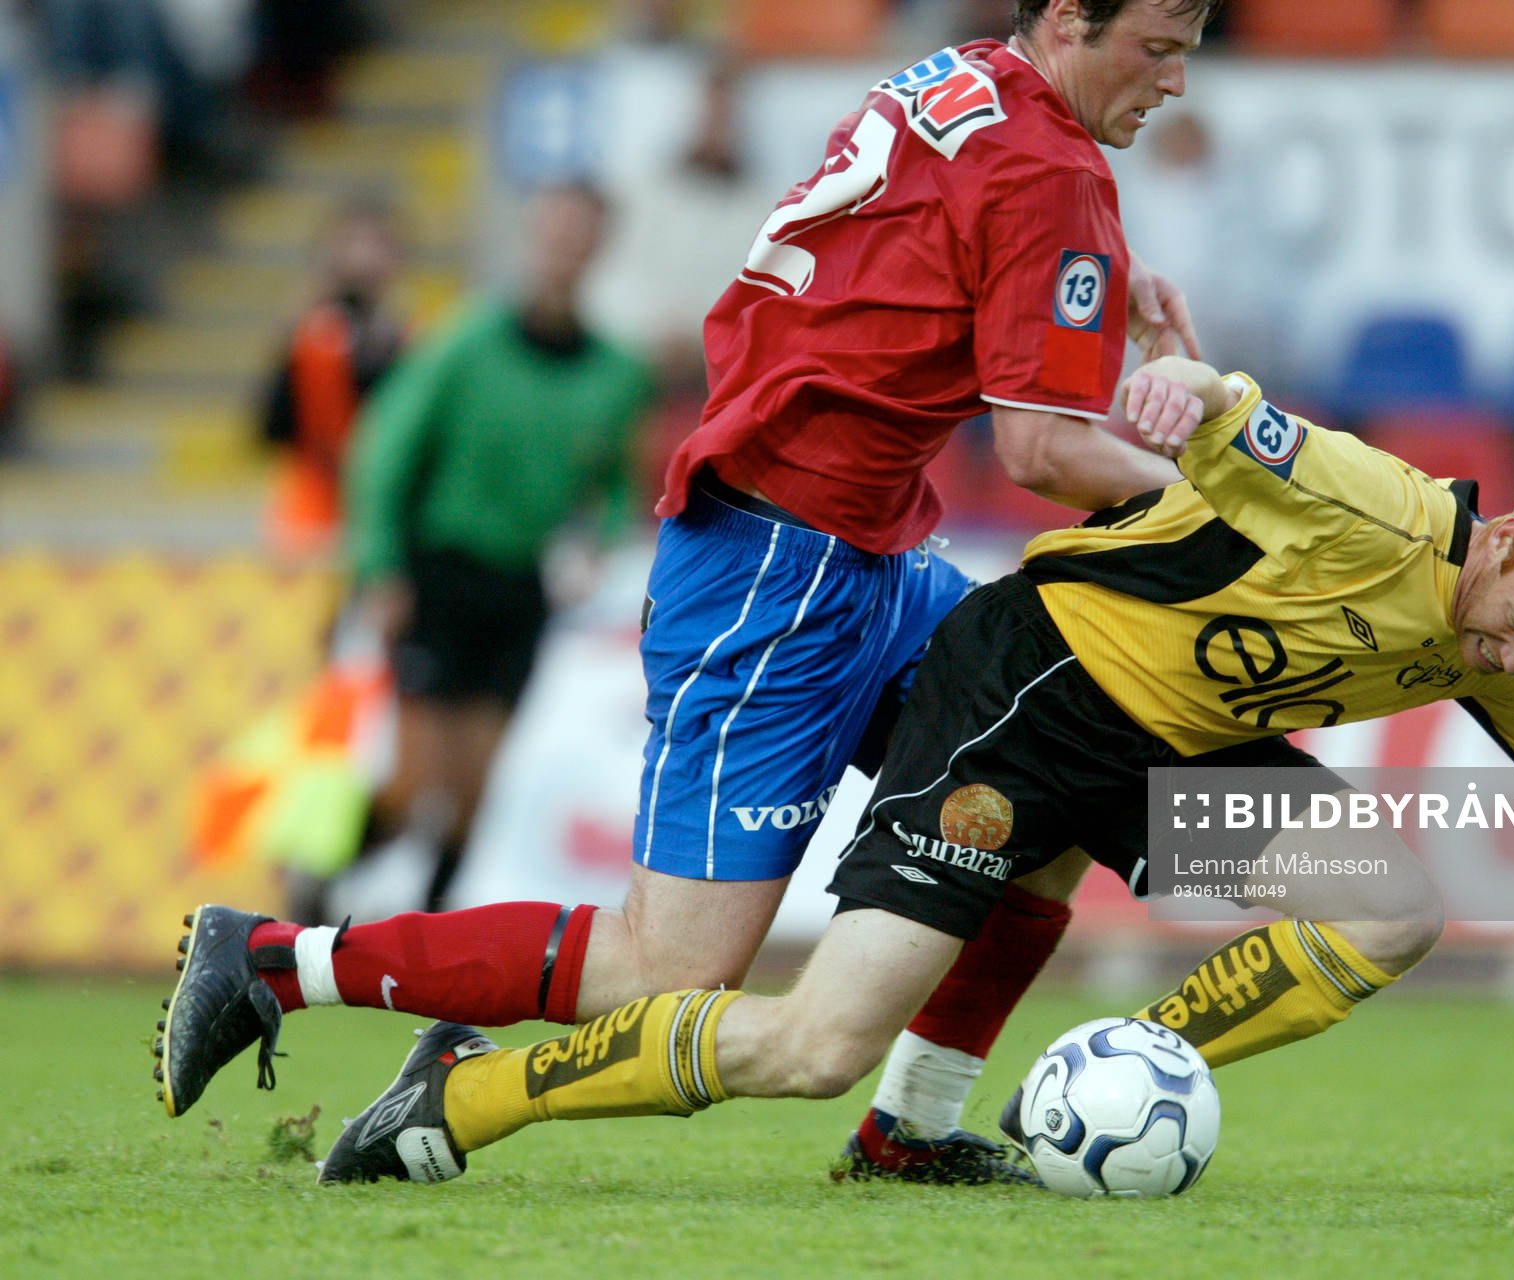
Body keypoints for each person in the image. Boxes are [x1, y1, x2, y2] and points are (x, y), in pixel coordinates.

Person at [157, 0, 1217, 1185]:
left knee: (1046, 787)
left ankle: (908, 1126)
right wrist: (1218, 501)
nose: (1176, 82)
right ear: (1071, 21)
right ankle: (276, 959)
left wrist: (1074, 301)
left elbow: (927, 255)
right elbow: (1040, 452)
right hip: (775, 577)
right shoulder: (1053, 169)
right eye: (1160, 49)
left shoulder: (968, 79)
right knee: (667, 972)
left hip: (865, 548)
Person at [302, 354, 1514, 1185]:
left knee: (1389, 905)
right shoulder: (1371, 511)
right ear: (1500, 540)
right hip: (1031, 682)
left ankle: (1092, 1079)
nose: (1509, 667)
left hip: (1162, 748)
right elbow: (1234, 415)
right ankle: (465, 1100)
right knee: (811, 1047)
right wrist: (1179, 379)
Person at [340, 181, 655, 916]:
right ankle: (320, 881)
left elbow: (617, 484)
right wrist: (381, 567)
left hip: (520, 586)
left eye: (582, 232)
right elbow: (384, 452)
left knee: (477, 788)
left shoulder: (617, 373)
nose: (565, 245)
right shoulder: (464, 343)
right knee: (418, 781)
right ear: (532, 233)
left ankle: (426, 934)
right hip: (441, 570)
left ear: (599, 246)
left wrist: (598, 543)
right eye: (556, 228)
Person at [257, 197, 408, 562]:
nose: (363, 260)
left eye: (376, 246)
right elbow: (270, 426)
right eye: (351, 245)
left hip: (382, 520)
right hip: (313, 522)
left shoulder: (406, 340)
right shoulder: (311, 338)